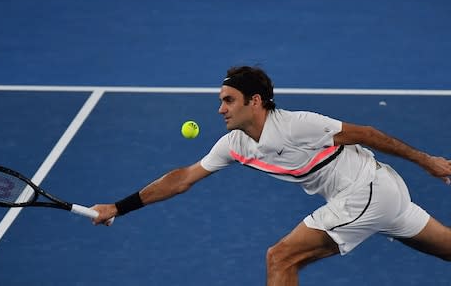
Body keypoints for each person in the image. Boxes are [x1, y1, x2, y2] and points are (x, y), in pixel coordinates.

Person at [91, 66, 451, 285]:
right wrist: (118, 208)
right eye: (221, 100)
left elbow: (369, 134)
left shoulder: (299, 125)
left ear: (256, 101)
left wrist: (427, 161)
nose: (220, 109)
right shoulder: (235, 144)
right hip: (378, 197)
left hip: (367, 192)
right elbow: (183, 178)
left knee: (280, 258)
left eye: (229, 100)